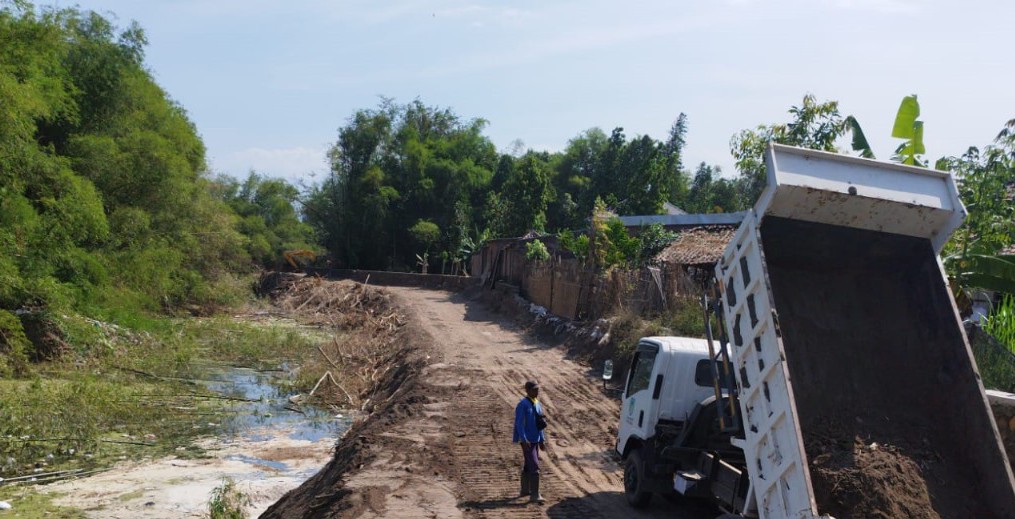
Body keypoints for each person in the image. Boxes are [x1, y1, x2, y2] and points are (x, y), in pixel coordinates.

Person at [513, 380, 546, 503]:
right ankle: (535, 495)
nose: (536, 392)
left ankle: (525, 490)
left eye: (537, 389)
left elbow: (539, 424)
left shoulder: (537, 403)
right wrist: (523, 438)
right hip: (527, 441)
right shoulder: (523, 404)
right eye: (534, 390)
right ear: (527, 390)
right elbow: (519, 424)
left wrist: (542, 439)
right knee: (534, 466)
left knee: (529, 464)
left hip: (535, 440)